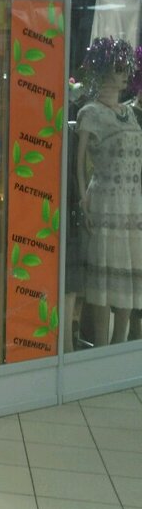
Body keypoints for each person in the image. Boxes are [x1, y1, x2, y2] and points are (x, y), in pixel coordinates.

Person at [76, 37, 142, 345]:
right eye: (118, 68)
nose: (124, 75)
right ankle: (102, 347)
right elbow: (79, 162)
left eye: (126, 68)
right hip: (105, 200)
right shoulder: (91, 113)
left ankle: (120, 344)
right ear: (103, 71)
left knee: (129, 274)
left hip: (132, 203)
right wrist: (83, 199)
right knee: (103, 278)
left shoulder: (130, 114)